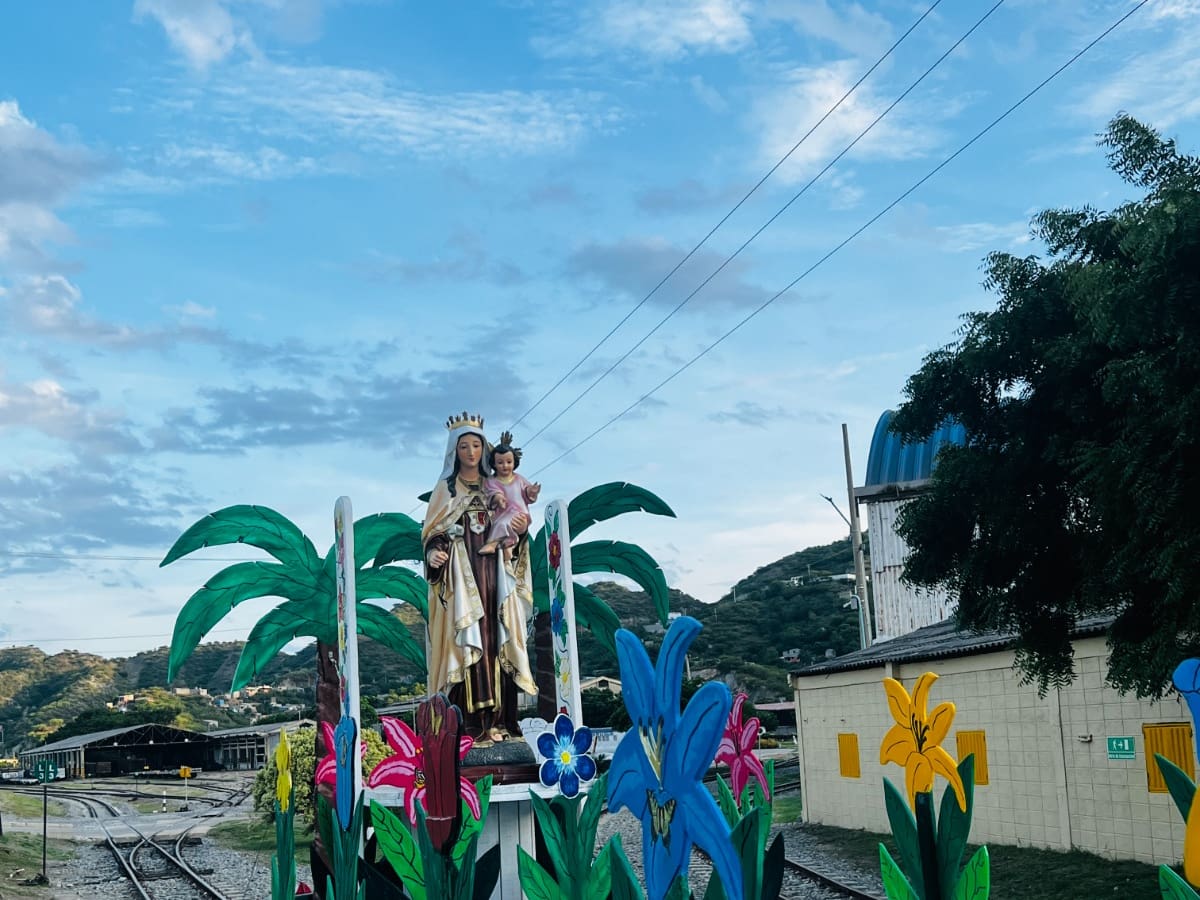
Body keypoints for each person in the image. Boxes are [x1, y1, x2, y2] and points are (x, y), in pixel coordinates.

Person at [422, 413, 538, 745]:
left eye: (476, 445)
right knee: (469, 643)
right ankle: (471, 727)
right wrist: (434, 554)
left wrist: (520, 531)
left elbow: (516, 527)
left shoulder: (497, 485)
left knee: (498, 641)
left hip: (496, 579)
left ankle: (504, 722)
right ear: (453, 451)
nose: (471, 452)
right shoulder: (446, 490)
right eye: (464, 446)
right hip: (463, 580)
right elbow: (433, 532)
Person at [480, 431, 541, 561]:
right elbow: (491, 492)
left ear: (514, 462)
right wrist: (497, 498)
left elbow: (526, 492)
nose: (505, 466)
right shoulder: (492, 481)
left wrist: (532, 492)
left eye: (509, 462)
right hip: (503, 512)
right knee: (501, 523)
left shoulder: (519, 479)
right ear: (494, 464)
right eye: (500, 462)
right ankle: (507, 546)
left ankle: (495, 544)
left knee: (505, 523)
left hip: (519, 512)